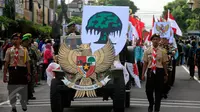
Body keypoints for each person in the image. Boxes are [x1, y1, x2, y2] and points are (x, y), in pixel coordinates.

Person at [3, 33, 31, 112]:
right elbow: (6, 63)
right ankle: (13, 106)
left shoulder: (25, 50)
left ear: (20, 40)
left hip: (22, 70)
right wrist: (5, 75)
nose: (15, 40)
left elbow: (27, 62)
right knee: (11, 89)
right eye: (13, 39)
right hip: (12, 71)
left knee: (23, 88)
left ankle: (23, 102)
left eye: (17, 39)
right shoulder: (9, 50)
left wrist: (29, 73)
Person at [142, 34, 168, 112]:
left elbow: (164, 63)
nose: (155, 41)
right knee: (148, 90)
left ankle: (157, 108)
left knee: (158, 91)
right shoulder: (147, 51)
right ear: (151, 40)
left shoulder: (163, 51)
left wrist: (166, 74)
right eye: (154, 39)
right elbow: (145, 63)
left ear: (159, 40)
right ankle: (151, 103)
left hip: (159, 71)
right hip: (150, 71)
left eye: (157, 39)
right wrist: (143, 74)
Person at [21, 33, 36, 100]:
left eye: (29, 40)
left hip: (30, 66)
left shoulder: (30, 48)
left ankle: (30, 94)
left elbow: (35, 57)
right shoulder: (21, 49)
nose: (28, 42)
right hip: (23, 67)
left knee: (30, 81)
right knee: (24, 81)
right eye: (27, 41)